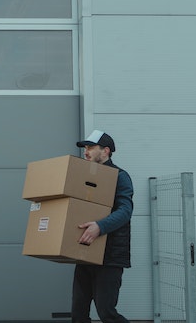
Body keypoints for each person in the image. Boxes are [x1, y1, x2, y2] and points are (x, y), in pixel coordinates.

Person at [72, 129, 134, 323]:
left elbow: (125, 211)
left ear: (105, 151)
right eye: (85, 148)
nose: (86, 151)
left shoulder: (120, 176)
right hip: (86, 252)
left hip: (110, 256)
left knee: (106, 311)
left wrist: (100, 226)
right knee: (78, 312)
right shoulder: (86, 177)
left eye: (91, 147)